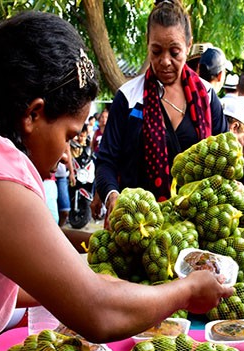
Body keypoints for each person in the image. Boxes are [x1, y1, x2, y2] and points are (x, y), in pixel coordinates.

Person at [0, 11, 233, 351]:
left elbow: (11, 275)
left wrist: (85, 264)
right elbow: (96, 311)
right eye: (69, 135)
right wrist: (187, 290)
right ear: (33, 114)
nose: (66, 150)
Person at [95, 0, 228, 226]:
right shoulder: (128, 98)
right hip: (139, 227)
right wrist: (111, 195)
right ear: (147, 44)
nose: (165, 61)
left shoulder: (206, 97)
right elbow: (106, 160)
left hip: (197, 227)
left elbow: (223, 161)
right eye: (156, 51)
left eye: (175, 52)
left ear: (189, 46)